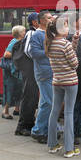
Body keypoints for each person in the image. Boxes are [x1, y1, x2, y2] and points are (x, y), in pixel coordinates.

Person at [46, 17, 81, 158]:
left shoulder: (50, 43)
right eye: (66, 26)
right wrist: (73, 48)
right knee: (68, 113)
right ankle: (69, 148)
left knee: (54, 112)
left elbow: (67, 53)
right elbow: (74, 64)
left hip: (57, 81)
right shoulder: (64, 44)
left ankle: (52, 144)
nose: (68, 28)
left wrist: (75, 42)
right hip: (71, 82)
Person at [30, 10, 54, 144]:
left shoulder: (48, 33)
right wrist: (49, 51)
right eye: (50, 18)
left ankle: (43, 129)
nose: (52, 19)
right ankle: (38, 130)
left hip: (50, 72)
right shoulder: (37, 35)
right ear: (42, 21)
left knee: (47, 102)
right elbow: (33, 52)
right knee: (48, 103)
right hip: (44, 74)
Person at [13, 12, 39, 136]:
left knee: (32, 97)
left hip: (30, 69)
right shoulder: (32, 33)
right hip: (29, 69)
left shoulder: (33, 32)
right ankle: (23, 126)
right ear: (34, 22)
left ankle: (28, 123)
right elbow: (28, 51)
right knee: (29, 96)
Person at [67, 13, 81, 142]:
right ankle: (73, 132)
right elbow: (73, 57)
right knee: (75, 105)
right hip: (77, 74)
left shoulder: (79, 36)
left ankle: (79, 128)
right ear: (74, 22)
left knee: (80, 103)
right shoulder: (72, 36)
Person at [2, 25, 25, 119]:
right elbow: (6, 54)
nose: (25, 32)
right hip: (10, 71)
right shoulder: (14, 41)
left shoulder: (21, 41)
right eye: (24, 31)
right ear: (19, 33)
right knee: (10, 89)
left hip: (17, 70)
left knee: (19, 88)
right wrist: (18, 56)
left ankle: (17, 109)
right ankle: (5, 111)